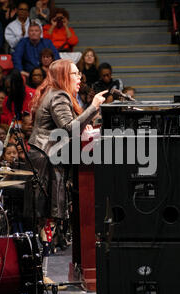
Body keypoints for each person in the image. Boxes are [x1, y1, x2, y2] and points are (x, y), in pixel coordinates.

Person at [23, 59, 107, 282]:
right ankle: (39, 275)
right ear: (63, 76)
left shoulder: (54, 93)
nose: (80, 78)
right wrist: (94, 107)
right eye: (75, 74)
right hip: (45, 160)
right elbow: (69, 129)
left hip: (44, 157)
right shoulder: (59, 95)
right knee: (44, 217)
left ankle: (41, 274)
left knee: (45, 218)